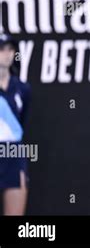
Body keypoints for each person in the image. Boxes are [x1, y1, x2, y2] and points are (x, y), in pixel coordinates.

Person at [0, 34, 31, 215]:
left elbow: (22, 123)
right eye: (2, 49)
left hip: (13, 155)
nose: (7, 54)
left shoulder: (23, 89)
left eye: (10, 49)